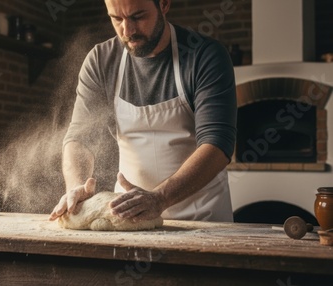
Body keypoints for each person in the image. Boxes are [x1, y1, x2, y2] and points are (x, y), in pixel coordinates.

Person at [49, 0, 237, 223]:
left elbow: (217, 143)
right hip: (129, 217)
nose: (127, 31)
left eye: (138, 17)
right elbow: (80, 137)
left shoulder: (204, 55)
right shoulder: (101, 61)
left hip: (203, 219)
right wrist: (76, 185)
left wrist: (159, 199)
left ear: (164, 4)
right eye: (117, 19)